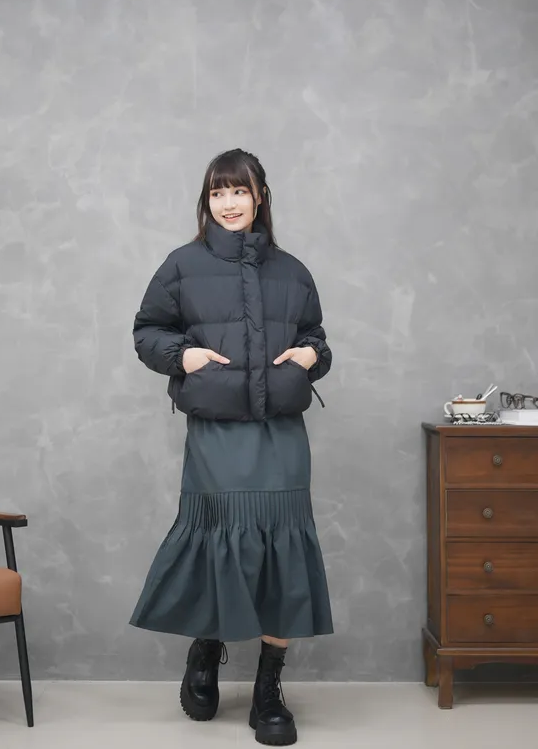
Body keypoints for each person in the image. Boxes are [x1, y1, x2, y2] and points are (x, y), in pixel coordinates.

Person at [129, 148, 333, 746]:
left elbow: (317, 336)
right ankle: (206, 649)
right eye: (217, 192)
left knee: (284, 553)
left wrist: (311, 354)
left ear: (259, 196)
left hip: (281, 433)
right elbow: (147, 331)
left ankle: (269, 688)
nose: (228, 203)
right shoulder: (182, 265)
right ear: (207, 201)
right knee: (221, 542)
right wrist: (183, 355)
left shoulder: (292, 271)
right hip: (216, 431)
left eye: (239, 191)